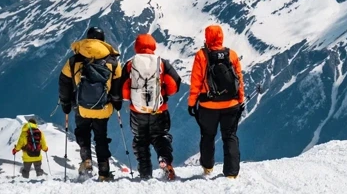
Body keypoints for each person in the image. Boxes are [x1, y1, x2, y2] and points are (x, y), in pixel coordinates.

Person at [58, 27, 123, 181]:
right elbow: (116, 88)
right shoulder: (113, 63)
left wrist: (66, 103)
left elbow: (64, 82)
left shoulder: (74, 61)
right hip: (103, 108)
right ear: (103, 41)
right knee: (101, 137)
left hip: (81, 107)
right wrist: (117, 104)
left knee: (83, 133)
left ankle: (86, 160)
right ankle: (104, 172)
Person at [121, 34, 182, 180]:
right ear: (153, 46)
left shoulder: (130, 64)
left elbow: (122, 91)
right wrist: (163, 92)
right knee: (160, 137)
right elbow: (174, 85)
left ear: (136, 46)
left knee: (140, 141)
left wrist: (134, 97)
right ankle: (164, 159)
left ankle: (145, 174)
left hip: (137, 112)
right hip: (158, 110)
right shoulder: (161, 63)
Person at [188, 25, 245, 179]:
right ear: (221, 37)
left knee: (207, 135)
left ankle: (207, 167)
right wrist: (241, 99)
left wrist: (192, 103)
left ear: (207, 37)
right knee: (230, 136)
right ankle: (231, 174)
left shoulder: (201, 55)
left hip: (208, 105)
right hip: (231, 104)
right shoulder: (231, 55)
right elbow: (239, 79)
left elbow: (196, 82)